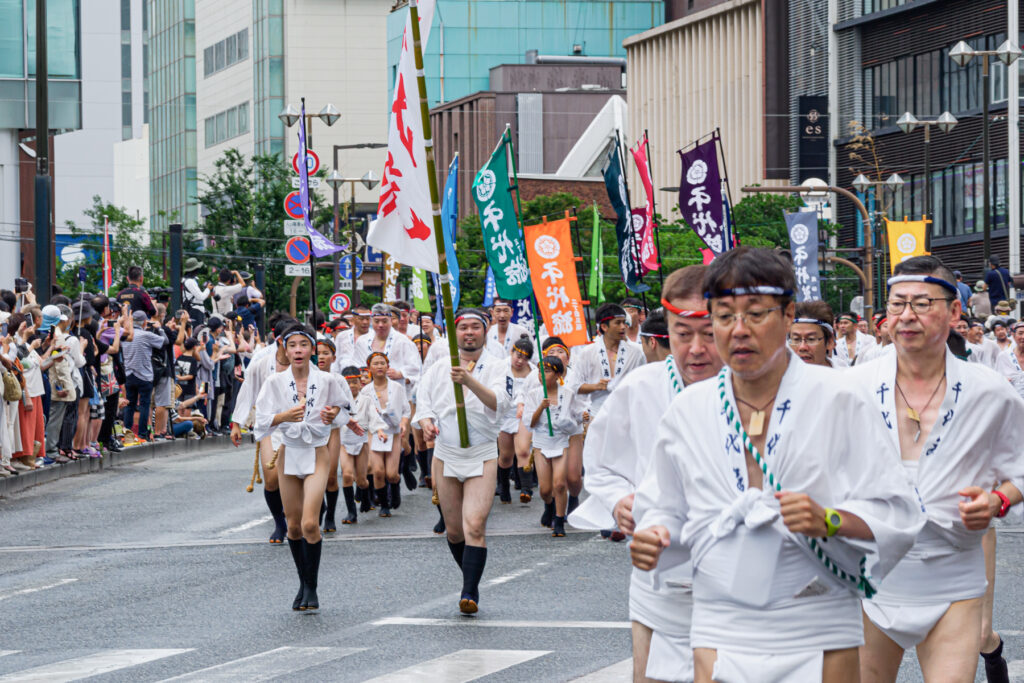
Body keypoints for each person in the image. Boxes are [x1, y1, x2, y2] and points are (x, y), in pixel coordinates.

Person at [630, 247, 923, 682]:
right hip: (719, 616)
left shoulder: (838, 397)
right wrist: (653, 532)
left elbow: (897, 510)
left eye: (755, 314)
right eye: (724, 316)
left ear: (788, 316)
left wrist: (830, 519)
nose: (738, 330)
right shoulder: (688, 409)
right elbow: (662, 504)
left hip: (816, 616)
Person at [852, 255, 1024, 682]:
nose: (907, 315)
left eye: (922, 303)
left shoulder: (990, 391)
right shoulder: (850, 387)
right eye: (897, 304)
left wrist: (997, 500)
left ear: (954, 311)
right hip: (869, 579)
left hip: (952, 580)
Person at [572, 264, 723, 683]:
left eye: (709, 333)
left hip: (739, 582)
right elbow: (600, 463)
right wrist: (619, 499)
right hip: (660, 576)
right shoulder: (641, 387)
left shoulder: (757, 390)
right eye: (682, 334)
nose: (695, 349)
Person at [416, 308, 510, 614]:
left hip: (482, 452)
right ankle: (470, 576)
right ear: (455, 333)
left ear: (485, 331)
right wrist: (427, 422)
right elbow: (424, 404)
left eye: (475, 327)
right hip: (446, 453)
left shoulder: (498, 366)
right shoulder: (439, 367)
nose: (469, 332)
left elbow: (498, 402)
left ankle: (469, 592)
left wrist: (468, 380)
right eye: (463, 328)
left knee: (474, 525)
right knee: (455, 531)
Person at [253, 323, 348, 611]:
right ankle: (302, 581)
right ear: (285, 349)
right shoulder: (275, 382)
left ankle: (313, 586)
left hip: (317, 452)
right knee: (293, 526)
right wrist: (283, 416)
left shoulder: (329, 380)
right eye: (292, 345)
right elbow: (260, 422)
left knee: (309, 523)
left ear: (312, 349)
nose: (298, 350)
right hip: (288, 453)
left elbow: (345, 410)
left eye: (303, 345)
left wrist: (333, 413)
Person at [230, 317, 298, 543]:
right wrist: (237, 423)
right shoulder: (261, 362)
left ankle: (307, 511)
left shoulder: (305, 363)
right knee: (271, 479)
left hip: (299, 425)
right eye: (290, 342)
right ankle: (280, 523)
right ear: (279, 341)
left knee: (297, 475)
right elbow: (247, 392)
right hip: (270, 424)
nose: (296, 347)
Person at [523, 355, 584, 537]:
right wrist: (540, 408)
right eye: (540, 371)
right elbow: (530, 424)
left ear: (558, 375)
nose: (542, 375)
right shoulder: (534, 394)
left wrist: (584, 416)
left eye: (547, 371)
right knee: (545, 489)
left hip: (560, 441)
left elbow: (576, 415)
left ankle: (559, 520)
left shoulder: (568, 394)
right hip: (541, 444)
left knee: (559, 484)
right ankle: (548, 506)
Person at [571, 303, 646, 419]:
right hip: (598, 413)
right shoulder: (588, 352)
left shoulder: (636, 352)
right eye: (618, 323)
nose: (623, 327)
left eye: (624, 322)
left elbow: (643, 382)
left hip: (628, 413)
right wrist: (597, 386)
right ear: (604, 327)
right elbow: (575, 386)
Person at [361, 351, 411, 518]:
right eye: (375, 363)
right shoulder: (365, 391)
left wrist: (403, 424)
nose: (379, 366)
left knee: (391, 473)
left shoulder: (397, 388)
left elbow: (406, 410)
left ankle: (395, 487)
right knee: (378, 471)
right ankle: (384, 505)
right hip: (374, 433)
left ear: (388, 366)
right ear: (369, 368)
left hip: (393, 432)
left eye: (382, 363)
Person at [495, 336, 534, 504]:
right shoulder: (500, 368)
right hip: (504, 414)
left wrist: (524, 404)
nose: (520, 361)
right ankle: (503, 486)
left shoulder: (534, 371)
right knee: (505, 456)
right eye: (518, 355)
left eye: (525, 358)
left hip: (523, 414)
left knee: (524, 451)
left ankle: (526, 489)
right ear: (511, 352)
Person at [352, 303, 420, 390]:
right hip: (368, 392)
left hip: (396, 391)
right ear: (371, 321)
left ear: (391, 321)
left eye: (384, 321)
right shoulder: (362, 341)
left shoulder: (403, 341)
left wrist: (400, 373)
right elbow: (356, 364)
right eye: (376, 321)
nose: (380, 325)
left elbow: (416, 368)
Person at [338, 364, 372, 523]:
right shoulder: (338, 401)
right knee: (347, 476)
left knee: (361, 480)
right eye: (348, 383)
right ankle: (352, 513)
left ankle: (366, 496)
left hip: (361, 441)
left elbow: (375, 419)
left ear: (361, 383)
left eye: (355, 382)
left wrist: (378, 430)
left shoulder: (367, 400)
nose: (351, 386)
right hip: (344, 443)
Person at [789, 301, 838, 367]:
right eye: (796, 339)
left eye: (811, 339)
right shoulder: (780, 376)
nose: (802, 347)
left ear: (830, 342)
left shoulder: (844, 376)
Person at [333, 304, 371, 370]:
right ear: (353, 319)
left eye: (367, 319)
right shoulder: (342, 336)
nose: (365, 322)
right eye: (361, 319)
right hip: (344, 376)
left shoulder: (375, 336)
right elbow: (335, 360)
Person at [181, 257, 212, 323]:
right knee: (196, 332)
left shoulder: (185, 280)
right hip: (195, 311)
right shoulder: (190, 281)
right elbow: (201, 297)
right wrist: (208, 289)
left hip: (191, 310)